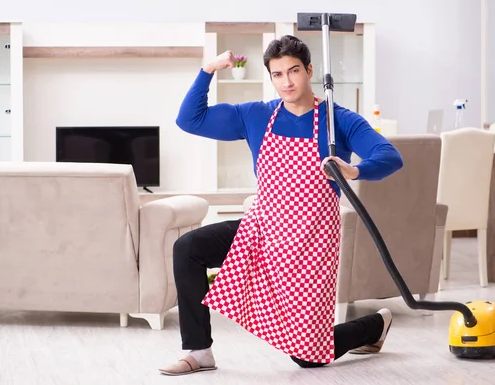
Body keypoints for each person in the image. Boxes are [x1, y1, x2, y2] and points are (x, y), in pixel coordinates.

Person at [159, 35, 404, 376]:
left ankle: (375, 325)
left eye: (294, 71)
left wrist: (354, 170)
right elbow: (190, 120)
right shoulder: (256, 115)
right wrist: (209, 69)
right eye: (277, 74)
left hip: (310, 244)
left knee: (307, 357)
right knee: (188, 247)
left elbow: (390, 157)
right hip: (263, 230)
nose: (287, 81)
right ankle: (199, 352)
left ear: (309, 70)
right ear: (270, 77)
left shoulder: (339, 121)